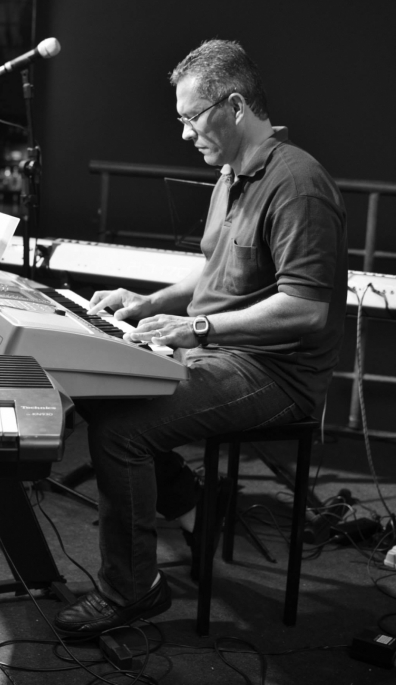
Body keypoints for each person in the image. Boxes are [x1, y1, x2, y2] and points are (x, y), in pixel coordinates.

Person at [54, 39, 348, 636]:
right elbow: (215, 272)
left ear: (234, 105)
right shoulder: (230, 175)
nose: (186, 133)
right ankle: (191, 504)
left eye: (192, 118)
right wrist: (147, 304)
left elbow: (306, 309)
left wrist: (195, 327)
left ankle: (131, 592)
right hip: (222, 354)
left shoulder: (298, 184)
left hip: (276, 374)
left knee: (119, 430)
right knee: (95, 387)